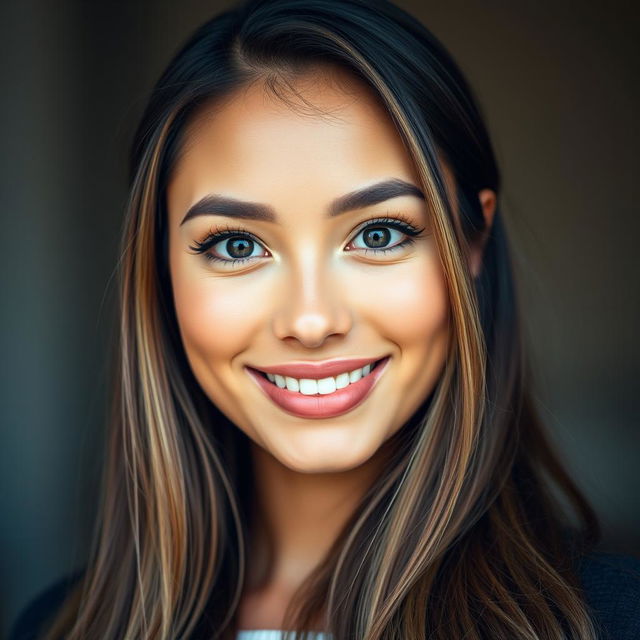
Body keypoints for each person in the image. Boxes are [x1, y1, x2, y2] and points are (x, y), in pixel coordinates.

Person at [10, 0, 640, 638]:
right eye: (237, 246)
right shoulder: (55, 627)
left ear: (471, 242)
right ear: (160, 267)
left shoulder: (611, 621)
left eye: (379, 233)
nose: (311, 321)